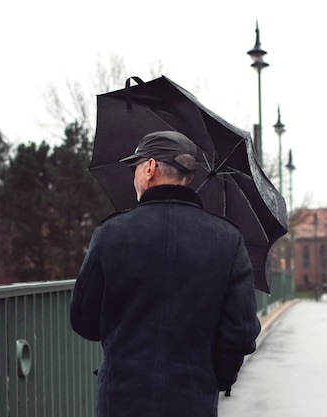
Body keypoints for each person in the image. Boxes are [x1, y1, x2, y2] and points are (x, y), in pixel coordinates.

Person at [70, 130, 261, 417]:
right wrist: (216, 377)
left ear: (150, 168)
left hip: (122, 399)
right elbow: (241, 333)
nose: (133, 175)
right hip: (192, 399)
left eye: (135, 167)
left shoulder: (111, 233)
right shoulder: (227, 239)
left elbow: (84, 320)